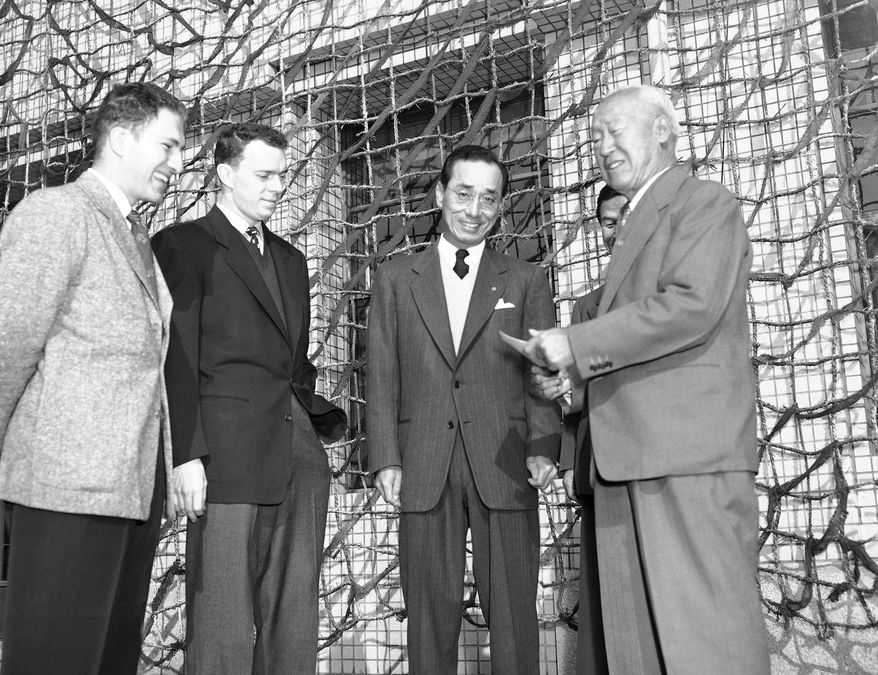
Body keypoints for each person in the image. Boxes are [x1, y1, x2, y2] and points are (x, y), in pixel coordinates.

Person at [525, 85, 770, 674]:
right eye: (595, 138)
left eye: (616, 130)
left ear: (663, 129)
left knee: (707, 643)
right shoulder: (636, 224)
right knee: (635, 652)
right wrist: (572, 384)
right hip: (624, 462)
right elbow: (643, 349)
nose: (603, 147)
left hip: (683, 461)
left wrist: (576, 344)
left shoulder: (704, 204)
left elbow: (691, 306)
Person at [0, 82, 185, 674]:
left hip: (129, 496)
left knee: (109, 660)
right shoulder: (56, 214)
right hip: (65, 492)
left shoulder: (135, 238)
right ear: (122, 138)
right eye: (169, 146)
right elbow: (7, 350)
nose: (178, 164)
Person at [151, 122, 347, 675]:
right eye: (264, 175)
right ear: (224, 174)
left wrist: (317, 426)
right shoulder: (181, 245)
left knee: (294, 621)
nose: (277, 187)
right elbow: (177, 358)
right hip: (224, 463)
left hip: (299, 460)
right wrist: (185, 453)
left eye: (282, 175)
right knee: (222, 626)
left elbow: (293, 362)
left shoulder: (291, 259)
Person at [367, 144, 561, 675]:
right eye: (464, 194)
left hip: (505, 460)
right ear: (439, 195)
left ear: (500, 207)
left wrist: (544, 446)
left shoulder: (526, 280)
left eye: (489, 199)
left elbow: (540, 372)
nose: (474, 210)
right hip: (424, 460)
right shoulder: (394, 279)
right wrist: (386, 455)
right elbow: (381, 372)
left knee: (516, 611)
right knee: (429, 613)